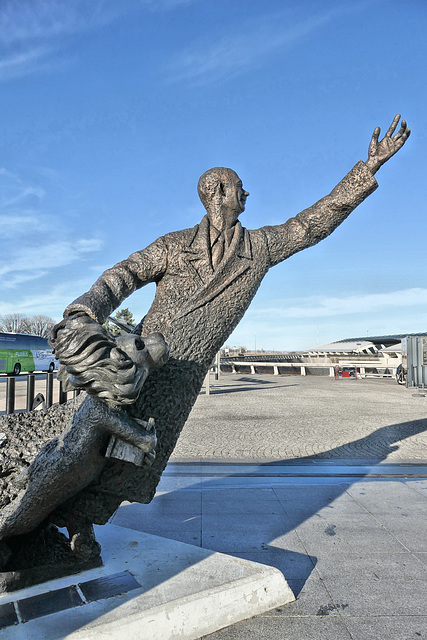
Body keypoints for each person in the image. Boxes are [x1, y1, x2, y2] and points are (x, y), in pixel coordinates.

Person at [53, 114, 410, 523]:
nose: (247, 193)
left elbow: (311, 225)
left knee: (138, 461)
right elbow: (123, 274)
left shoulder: (258, 247)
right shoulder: (173, 246)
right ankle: (45, 518)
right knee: (90, 444)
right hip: (138, 363)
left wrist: (366, 170)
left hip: (182, 377)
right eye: (240, 187)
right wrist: (85, 310)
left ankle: (81, 525)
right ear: (219, 192)